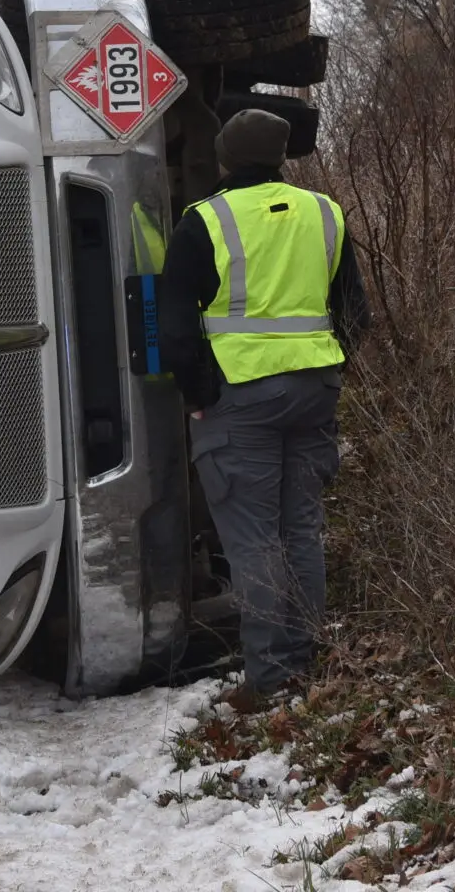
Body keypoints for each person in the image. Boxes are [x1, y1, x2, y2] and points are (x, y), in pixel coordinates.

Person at [158, 108, 370, 712]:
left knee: (252, 540)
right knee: (299, 526)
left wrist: (199, 396)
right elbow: (355, 312)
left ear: (226, 156)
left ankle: (271, 678)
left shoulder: (206, 221)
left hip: (241, 396)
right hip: (315, 388)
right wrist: (326, 367)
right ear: (280, 156)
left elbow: (174, 328)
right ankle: (305, 658)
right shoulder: (324, 212)